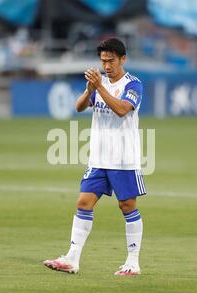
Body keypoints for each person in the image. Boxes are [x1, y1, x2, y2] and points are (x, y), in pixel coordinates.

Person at [44, 38, 146, 276]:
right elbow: (79, 107)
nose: (107, 66)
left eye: (111, 61)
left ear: (123, 59)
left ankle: (133, 262)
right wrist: (90, 89)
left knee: (127, 205)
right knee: (83, 202)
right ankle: (72, 258)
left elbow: (122, 110)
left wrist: (99, 87)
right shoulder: (99, 84)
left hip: (123, 158)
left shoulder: (133, 85)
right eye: (103, 61)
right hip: (98, 158)